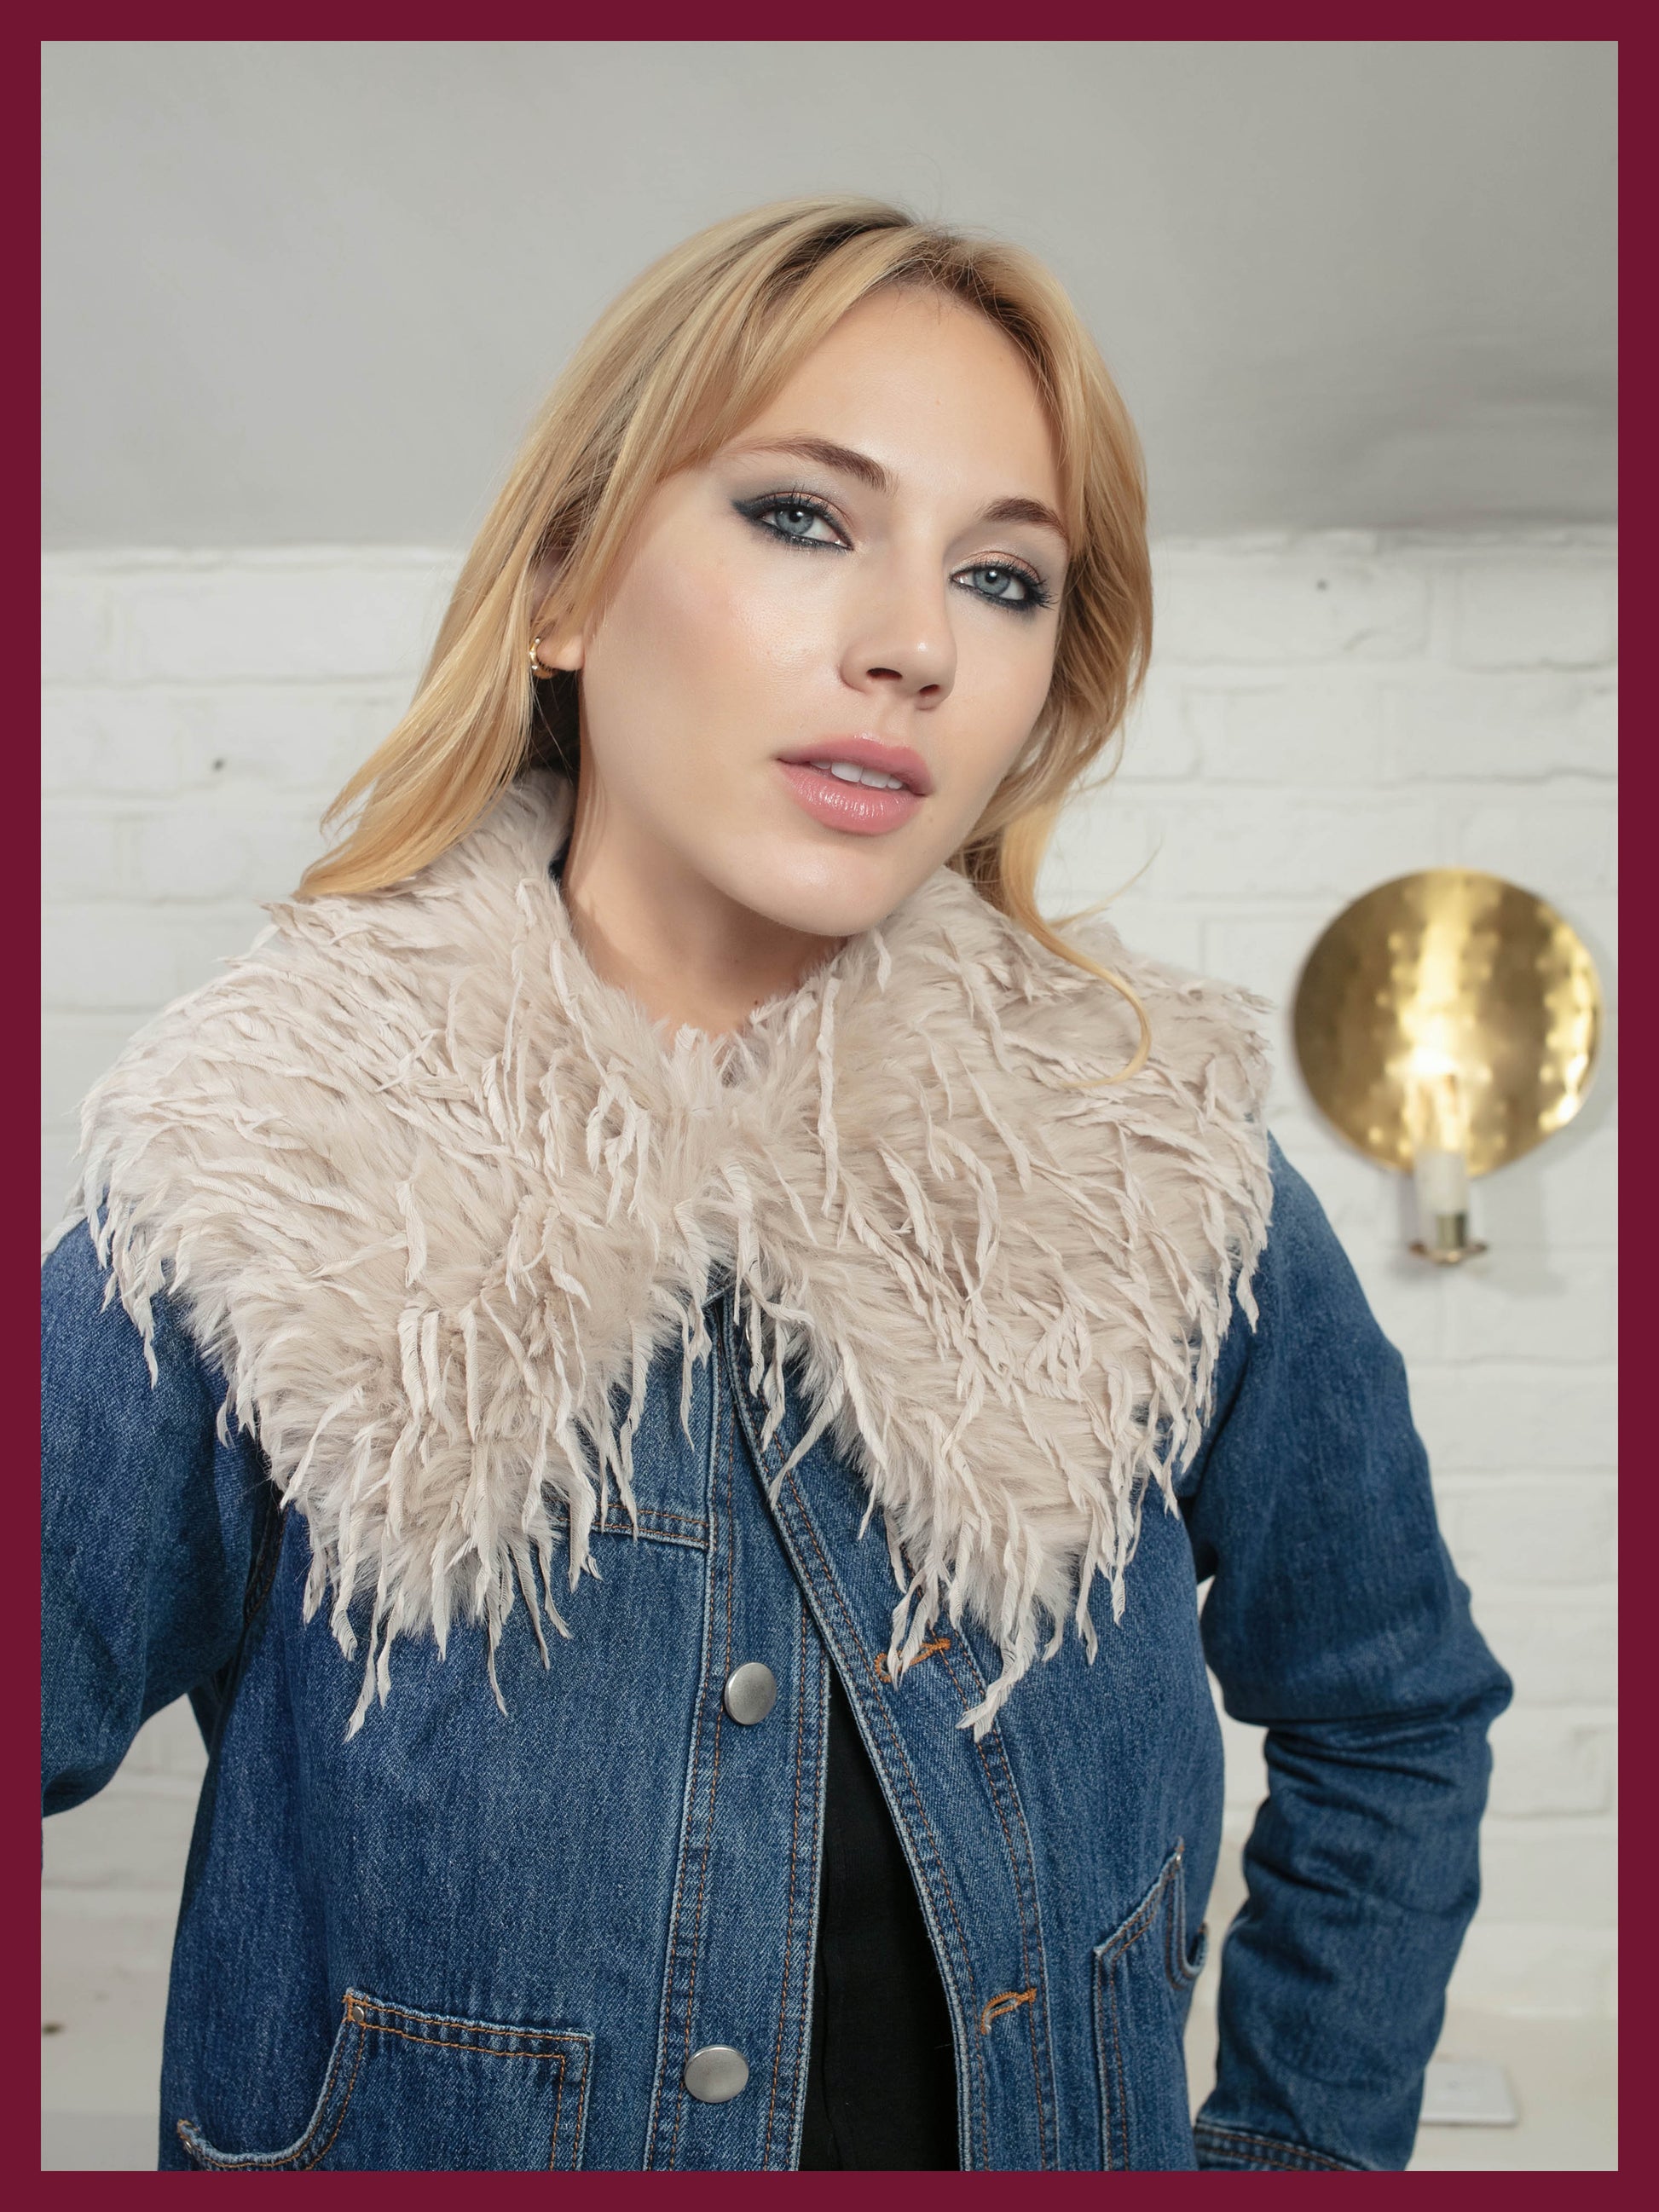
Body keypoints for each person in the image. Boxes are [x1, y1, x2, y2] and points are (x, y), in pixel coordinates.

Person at [41, 194, 1511, 2173]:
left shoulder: (1155, 1172)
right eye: (804, 516)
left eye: (1001, 577)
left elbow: (1391, 1709)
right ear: (565, 588)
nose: (915, 643)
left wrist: (1291, 2159)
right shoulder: (270, 1165)